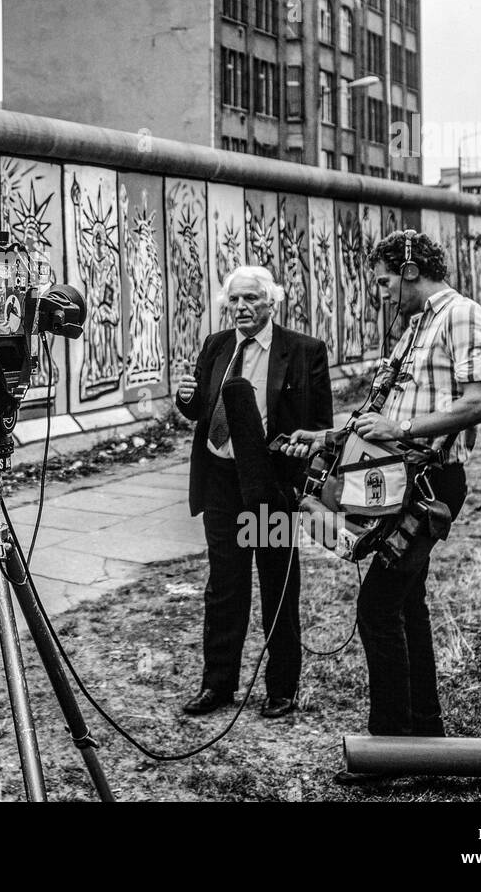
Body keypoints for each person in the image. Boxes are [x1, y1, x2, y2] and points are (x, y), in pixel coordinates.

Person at [287, 229, 481, 756]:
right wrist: (329, 437)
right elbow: (385, 417)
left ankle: (388, 749)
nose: (380, 293)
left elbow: (480, 404)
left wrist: (403, 433)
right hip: (394, 483)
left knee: (377, 608)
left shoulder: (462, 314)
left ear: (409, 270)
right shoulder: (412, 326)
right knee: (407, 605)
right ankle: (426, 737)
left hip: (429, 486)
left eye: (384, 281)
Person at [175, 265, 333, 720]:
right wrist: (188, 399)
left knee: (275, 585)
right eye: (234, 301)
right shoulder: (217, 346)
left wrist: (298, 485)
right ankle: (217, 685)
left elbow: (321, 425)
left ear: (271, 302)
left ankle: (281, 688)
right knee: (225, 587)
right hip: (221, 481)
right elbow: (202, 410)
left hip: (267, 485)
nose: (241, 308)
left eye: (250, 300)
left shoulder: (303, 351)